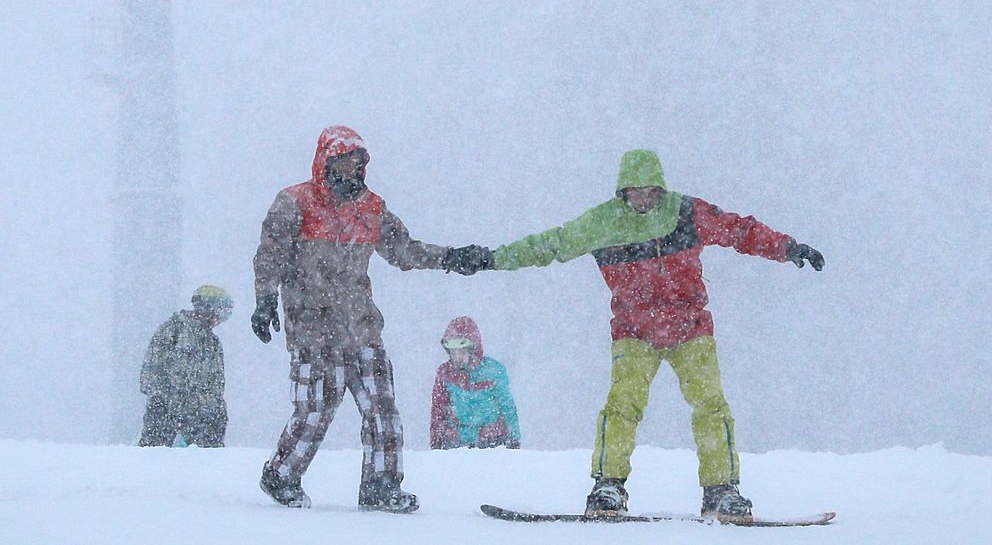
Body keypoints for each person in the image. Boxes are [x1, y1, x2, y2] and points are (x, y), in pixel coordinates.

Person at [470, 149, 824, 520]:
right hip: (634, 330)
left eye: (651, 191)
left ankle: (721, 490)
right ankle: (608, 485)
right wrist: (491, 258)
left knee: (711, 405)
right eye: (635, 192)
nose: (644, 199)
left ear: (662, 189)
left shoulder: (686, 213)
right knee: (623, 404)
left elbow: (739, 230)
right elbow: (550, 245)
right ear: (622, 192)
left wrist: (786, 247)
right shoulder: (602, 223)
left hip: (690, 327)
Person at [251, 125, 485, 512]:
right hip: (313, 327)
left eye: (360, 163)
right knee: (316, 410)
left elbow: (404, 251)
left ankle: (380, 485)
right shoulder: (295, 203)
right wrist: (264, 299)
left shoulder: (371, 208)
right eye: (346, 161)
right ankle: (281, 474)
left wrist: (452, 257)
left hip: (361, 326)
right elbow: (270, 254)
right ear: (326, 162)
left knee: (382, 409)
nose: (354, 170)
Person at [138, 285, 233, 448]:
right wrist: (161, 400)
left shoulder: (213, 343)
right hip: (166, 409)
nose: (221, 319)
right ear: (206, 308)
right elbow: (151, 369)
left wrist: (215, 409)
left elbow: (217, 383)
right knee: (152, 455)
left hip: (201, 416)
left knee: (208, 461)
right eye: (221, 311)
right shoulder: (172, 331)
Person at [430, 316, 521, 450]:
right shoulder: (445, 374)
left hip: (492, 444)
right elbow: (438, 411)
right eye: (453, 352)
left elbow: (507, 408)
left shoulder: (493, 371)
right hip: (456, 446)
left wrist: (513, 439)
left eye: (462, 351)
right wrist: (437, 443)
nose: (457, 357)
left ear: (473, 349)